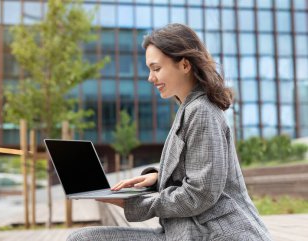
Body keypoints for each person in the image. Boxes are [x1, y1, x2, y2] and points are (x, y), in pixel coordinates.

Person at [67, 23, 272, 241]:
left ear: (184, 65)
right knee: (83, 237)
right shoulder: (190, 108)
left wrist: (134, 203)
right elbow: (198, 169)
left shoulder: (201, 111)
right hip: (186, 232)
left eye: (156, 68)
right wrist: (156, 179)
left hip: (215, 234)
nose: (150, 77)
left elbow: (201, 193)